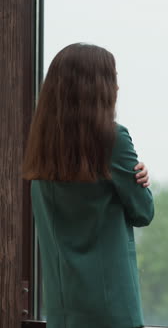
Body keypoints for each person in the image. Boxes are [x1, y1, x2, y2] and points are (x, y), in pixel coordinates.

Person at [23, 42, 155, 328]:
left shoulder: (41, 148)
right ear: (97, 87)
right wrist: (141, 180)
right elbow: (143, 211)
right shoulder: (114, 139)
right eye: (113, 79)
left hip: (63, 313)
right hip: (114, 312)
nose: (117, 88)